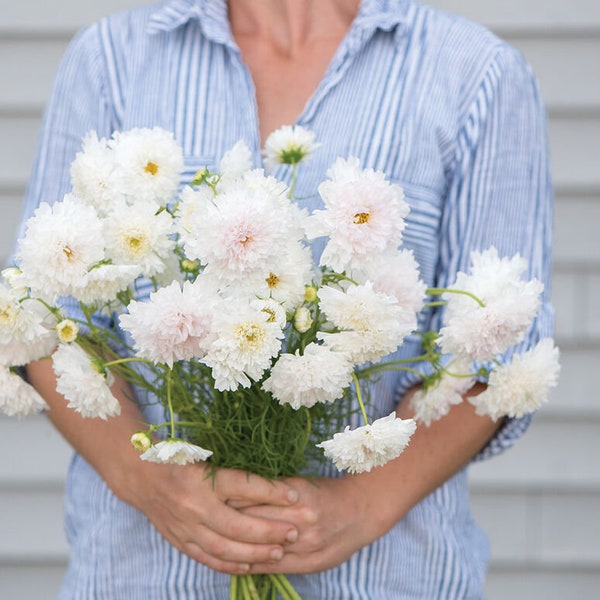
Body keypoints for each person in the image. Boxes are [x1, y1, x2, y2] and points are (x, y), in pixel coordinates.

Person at [18, 0, 553, 598]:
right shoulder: (110, 61)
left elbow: (503, 347)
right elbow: (41, 318)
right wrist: (149, 481)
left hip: (387, 577)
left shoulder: (475, 73)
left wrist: (365, 500)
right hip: (143, 574)